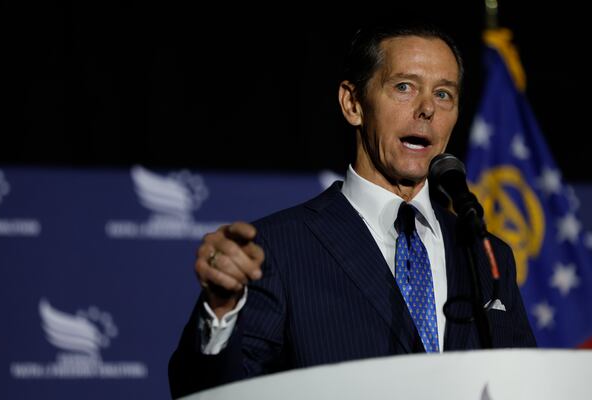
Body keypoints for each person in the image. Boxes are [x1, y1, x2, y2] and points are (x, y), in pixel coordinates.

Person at [168, 23, 536, 398]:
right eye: (404, 87)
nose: (427, 108)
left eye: (444, 94)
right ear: (353, 103)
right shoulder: (277, 249)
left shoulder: (486, 254)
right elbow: (209, 393)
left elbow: (525, 385)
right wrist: (220, 311)